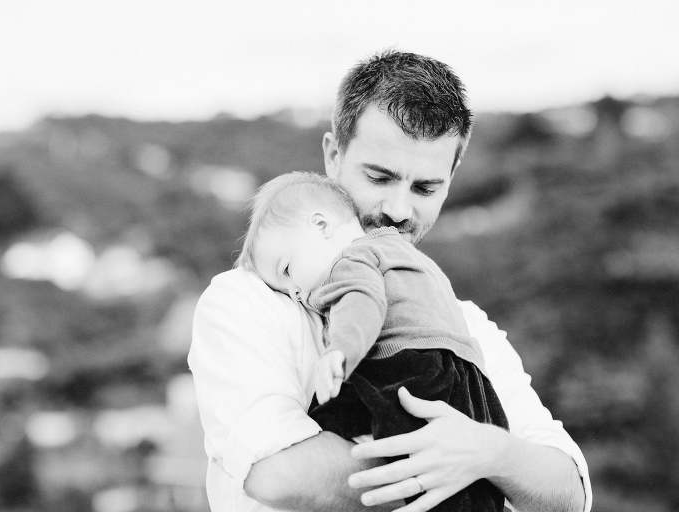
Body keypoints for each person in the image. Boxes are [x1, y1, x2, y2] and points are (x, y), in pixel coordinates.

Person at [189, 50, 591, 512]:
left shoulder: (467, 323)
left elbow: (570, 493)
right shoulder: (244, 300)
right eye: (380, 177)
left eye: (425, 188)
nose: (399, 210)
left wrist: (489, 452)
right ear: (334, 156)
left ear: (451, 180)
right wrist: (458, 480)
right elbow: (278, 472)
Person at [237, 170, 510, 511]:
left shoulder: (351, 260)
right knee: (465, 484)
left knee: (329, 420)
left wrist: (339, 351)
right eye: (284, 290)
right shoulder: (403, 254)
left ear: (321, 226)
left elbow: (362, 305)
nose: (294, 293)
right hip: (466, 377)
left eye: (287, 270)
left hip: (407, 367)